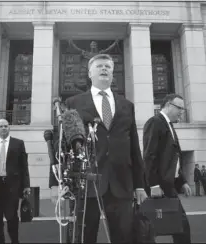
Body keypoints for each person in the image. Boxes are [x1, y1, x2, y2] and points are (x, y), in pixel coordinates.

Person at [50, 53, 148, 243]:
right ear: (90, 73)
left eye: (108, 67)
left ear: (113, 74)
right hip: (87, 183)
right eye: (99, 66)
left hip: (122, 183)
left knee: (125, 237)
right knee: (84, 237)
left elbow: (134, 147)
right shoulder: (74, 104)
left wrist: (139, 184)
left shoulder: (127, 105)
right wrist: (56, 183)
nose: (104, 69)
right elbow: (60, 144)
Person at [143, 93, 192, 243]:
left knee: (176, 227)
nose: (182, 112)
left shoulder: (169, 125)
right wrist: (154, 184)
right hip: (159, 187)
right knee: (156, 227)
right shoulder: (155, 122)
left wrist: (182, 181)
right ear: (168, 105)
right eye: (180, 108)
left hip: (168, 185)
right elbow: (149, 156)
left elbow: (172, 159)